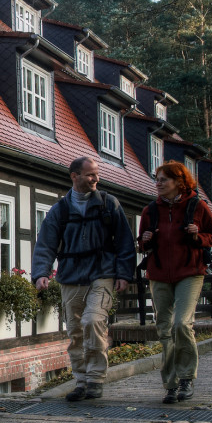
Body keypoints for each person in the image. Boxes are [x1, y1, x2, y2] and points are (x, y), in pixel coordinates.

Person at [33, 156, 136, 401]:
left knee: (93, 321)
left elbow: (124, 242)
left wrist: (124, 273)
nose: (96, 179)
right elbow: (46, 244)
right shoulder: (60, 209)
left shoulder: (109, 204)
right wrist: (41, 273)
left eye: (97, 174)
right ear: (74, 176)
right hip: (70, 277)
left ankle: (96, 378)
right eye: (90, 174)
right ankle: (81, 381)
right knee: (76, 332)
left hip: (102, 274)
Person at [138, 161, 212, 404]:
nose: (158, 183)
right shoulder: (150, 210)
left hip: (190, 272)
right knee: (165, 329)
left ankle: (186, 378)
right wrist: (144, 240)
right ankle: (171, 385)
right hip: (159, 274)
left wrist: (199, 235)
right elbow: (143, 245)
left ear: (179, 182)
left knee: (182, 324)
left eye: (164, 179)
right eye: (156, 179)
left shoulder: (198, 206)